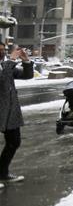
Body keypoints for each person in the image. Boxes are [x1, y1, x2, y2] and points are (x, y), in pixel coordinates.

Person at [1, 44, 33, 187]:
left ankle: (2, 173)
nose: (2, 53)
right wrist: (12, 60)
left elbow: (27, 75)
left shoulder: (4, 65)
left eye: (3, 50)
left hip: (9, 111)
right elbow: (3, 79)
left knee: (14, 142)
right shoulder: (6, 66)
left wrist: (25, 61)